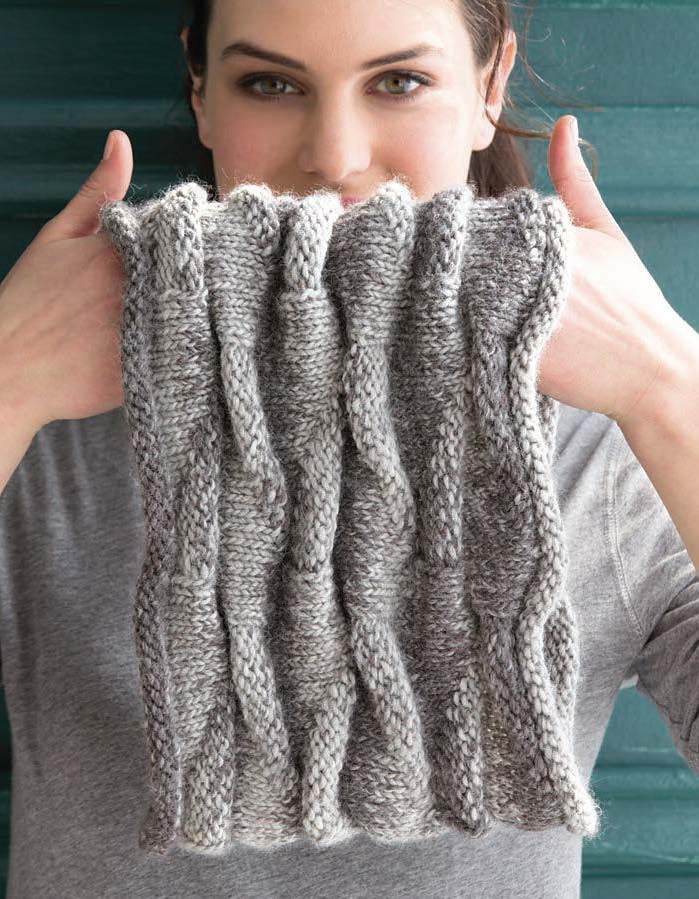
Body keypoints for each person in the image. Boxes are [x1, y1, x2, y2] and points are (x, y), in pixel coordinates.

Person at [0, 0, 698, 896]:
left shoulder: (615, 436)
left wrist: (671, 389)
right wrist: (9, 379)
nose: (334, 156)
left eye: (398, 82)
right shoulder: (53, 414)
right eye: (270, 84)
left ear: (489, 86)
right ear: (201, 91)